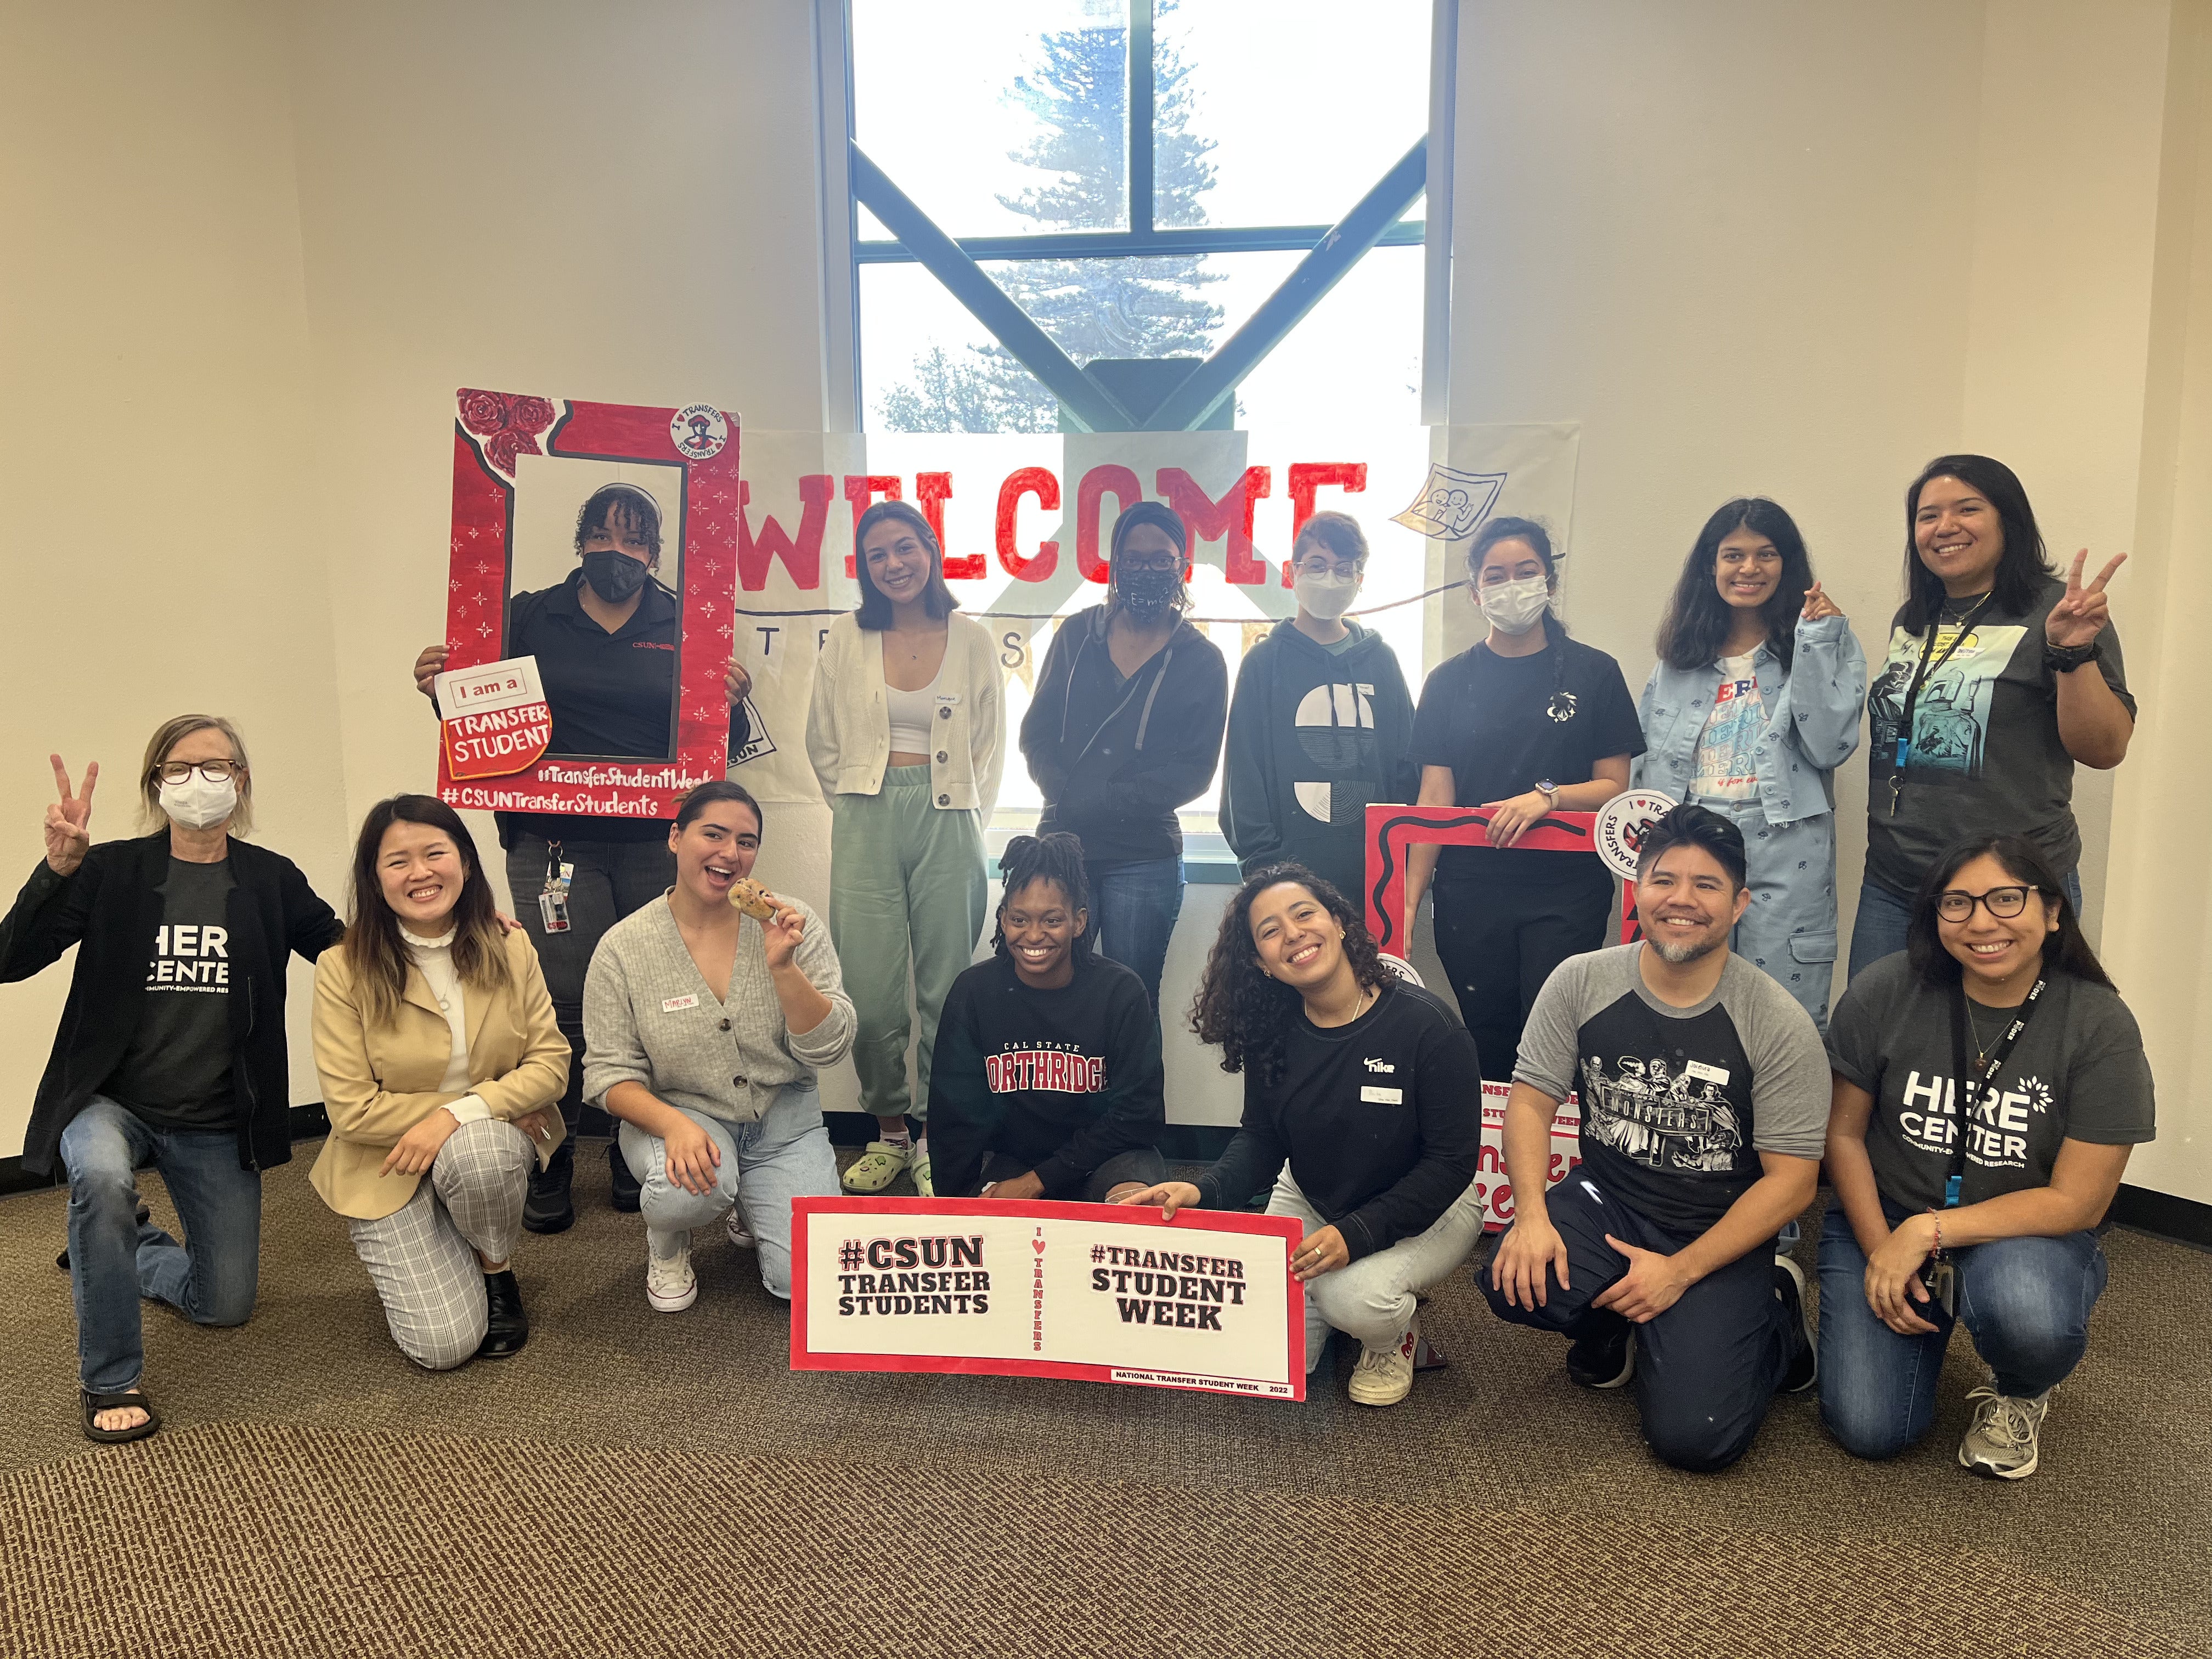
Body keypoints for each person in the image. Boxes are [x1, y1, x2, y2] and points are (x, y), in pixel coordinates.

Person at [411, 480, 755, 1232]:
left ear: (657, 554)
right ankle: (552, 1153)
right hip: (551, 843)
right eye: (605, 535)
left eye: (636, 541)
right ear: (581, 542)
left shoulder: (687, 624)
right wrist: (445, 689)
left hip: (650, 844)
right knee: (561, 1003)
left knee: (649, 999)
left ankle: (633, 1148)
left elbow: (710, 756)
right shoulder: (531, 615)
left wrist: (727, 702)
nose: (619, 553)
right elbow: (482, 728)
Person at [1, 719, 343, 1442]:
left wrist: (458, 929)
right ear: (156, 783)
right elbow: (10, 959)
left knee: (224, 1306)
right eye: (180, 768)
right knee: (97, 1176)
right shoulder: (111, 870)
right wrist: (55, 872)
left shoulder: (270, 879)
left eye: (216, 766)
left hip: (218, 1117)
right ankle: (110, 1377)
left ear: (241, 779)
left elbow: (348, 950)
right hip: (111, 1101)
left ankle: (132, 1243)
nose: (198, 781)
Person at [1483, 805, 1826, 1473]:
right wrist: (1529, 1216)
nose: (1682, 900)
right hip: (1610, 1201)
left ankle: (1777, 1312)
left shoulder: (1776, 1022)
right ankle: (1619, 1320)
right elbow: (1529, 1101)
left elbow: (1794, 1182)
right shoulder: (1581, 980)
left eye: (1707, 885)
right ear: (1637, 890)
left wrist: (1681, 1272)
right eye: (1664, 880)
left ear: (1740, 904)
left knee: (1697, 1441)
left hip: (1717, 1227)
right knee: (1513, 1280)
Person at [1819, 834, 2153, 1480]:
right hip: (1886, 1212)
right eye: (1958, 903)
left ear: (2053, 911)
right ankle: (1926, 1306)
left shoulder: (2099, 1024)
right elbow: (1843, 1137)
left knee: (2029, 1312)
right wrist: (1884, 1245)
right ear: (1933, 916)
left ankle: (2022, 1389)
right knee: (1869, 1428)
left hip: (2023, 1230)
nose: (1981, 922)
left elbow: (2079, 1201)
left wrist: (1930, 1230)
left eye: (2006, 899)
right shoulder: (1886, 989)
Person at [1119, 865, 1483, 1407]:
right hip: (1313, 1195)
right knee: (1267, 1359)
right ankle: (1344, 1292)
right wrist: (1204, 1191)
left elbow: (1451, 1164)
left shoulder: (1428, 1027)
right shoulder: (1273, 1033)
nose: (1292, 934)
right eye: (1269, 931)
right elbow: (1262, 1141)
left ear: (1338, 923)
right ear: (1260, 962)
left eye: (1304, 914)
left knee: (1352, 1301)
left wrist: (1356, 1236)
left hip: (1432, 1205)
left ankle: (1393, 1336)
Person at [1848, 455, 2135, 980]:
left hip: (2009, 891)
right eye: (1927, 515)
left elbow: (2105, 749)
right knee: (1875, 1049)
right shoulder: (1914, 619)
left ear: (2009, 520)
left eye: (1967, 509)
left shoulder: (2057, 612)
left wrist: (2071, 653)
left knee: (2007, 1054)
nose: (1945, 527)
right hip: (1896, 883)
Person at [310, 796, 569, 1369]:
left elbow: (551, 1065)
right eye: (398, 862)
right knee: (443, 1348)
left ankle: (494, 1265)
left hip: (485, 1150)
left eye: (435, 853)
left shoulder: (510, 944)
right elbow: (352, 1112)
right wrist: (477, 1104)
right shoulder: (341, 968)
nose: (421, 872)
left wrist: (459, 1119)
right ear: (375, 881)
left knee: (478, 1152)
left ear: (467, 863)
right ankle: (451, 1235)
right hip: (384, 1163)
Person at [583, 781, 851, 1311]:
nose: (731, 853)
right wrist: (673, 1125)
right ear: (676, 838)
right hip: (685, 1115)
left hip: (784, 1122)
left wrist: (785, 969)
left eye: (747, 841)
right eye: (714, 834)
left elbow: (831, 1048)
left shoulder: (790, 924)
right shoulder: (624, 947)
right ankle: (668, 1240)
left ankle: (753, 1199)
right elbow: (607, 1075)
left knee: (809, 1284)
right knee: (689, 1191)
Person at [808, 499, 1002, 1200]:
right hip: (866, 813)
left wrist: (955, 803)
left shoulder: (972, 639)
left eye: (905, 548)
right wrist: (863, 802)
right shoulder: (844, 638)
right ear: (866, 568)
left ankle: (934, 1135)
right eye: (877, 555)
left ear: (930, 549)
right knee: (868, 984)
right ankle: (890, 1130)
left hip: (951, 814)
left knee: (947, 986)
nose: (893, 564)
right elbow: (823, 741)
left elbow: (987, 745)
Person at [1404, 516, 1645, 1080]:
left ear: (1550, 583)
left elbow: (1615, 787)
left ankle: (1548, 1167)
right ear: (1474, 591)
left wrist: (1550, 797)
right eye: (1496, 575)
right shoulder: (1447, 682)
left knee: (1554, 1038)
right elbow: (1434, 799)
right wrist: (1406, 900)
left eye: (1526, 572)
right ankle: (1494, 1164)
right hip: (1469, 893)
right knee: (1486, 1039)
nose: (1511, 585)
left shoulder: (1595, 672)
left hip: (1564, 892)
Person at [1636, 498, 1865, 1028]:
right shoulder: (1679, 656)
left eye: (1766, 555)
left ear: (1787, 565)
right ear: (1710, 567)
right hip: (1694, 837)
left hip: (1787, 841)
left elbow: (1830, 747)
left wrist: (1816, 644)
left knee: (1784, 1004)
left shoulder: (1824, 640)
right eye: (1733, 555)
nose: (1749, 569)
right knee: (1683, 989)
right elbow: (1647, 764)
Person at [1019, 500, 1229, 1013]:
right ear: (1114, 564)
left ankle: (1132, 1099)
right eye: (1133, 559)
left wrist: (1108, 801)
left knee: (1131, 1003)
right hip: (1065, 846)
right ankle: (1064, 1098)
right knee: (1056, 997)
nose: (1146, 570)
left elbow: (1195, 771)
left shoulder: (1202, 660)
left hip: (1144, 855)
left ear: (1183, 567)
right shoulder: (1075, 636)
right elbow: (1037, 734)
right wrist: (1068, 795)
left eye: (1162, 560)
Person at [928, 833, 1166, 1205]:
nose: (1034, 935)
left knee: (1138, 1209)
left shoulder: (1121, 992)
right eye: (1020, 919)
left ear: (1079, 921)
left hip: (1112, 1156)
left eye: (1052, 920)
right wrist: (956, 1209)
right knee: (1000, 1240)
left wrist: (1038, 1182)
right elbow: (955, 1117)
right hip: (1018, 1161)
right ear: (1003, 920)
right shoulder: (975, 992)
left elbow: (1139, 1117)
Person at [1221, 510, 1417, 913]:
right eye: (1318, 565)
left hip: (1374, 885)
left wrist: (1399, 868)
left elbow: (1407, 772)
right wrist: (1268, 874)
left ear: (1359, 581)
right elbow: (1244, 779)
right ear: (1294, 572)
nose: (1330, 578)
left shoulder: (1381, 661)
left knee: (1364, 979)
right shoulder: (1263, 663)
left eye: (1344, 569)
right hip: (1286, 889)